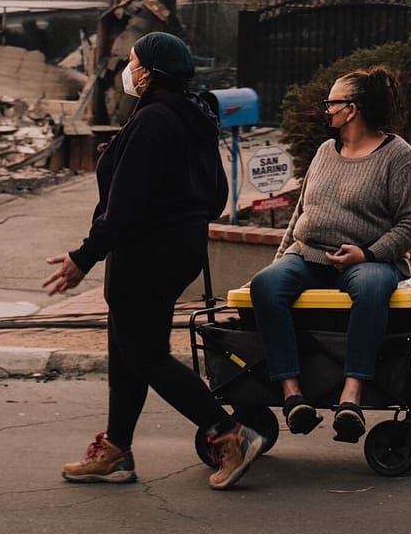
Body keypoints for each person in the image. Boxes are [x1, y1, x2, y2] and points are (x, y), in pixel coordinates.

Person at [43, 31, 268, 490]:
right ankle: (115, 452)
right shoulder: (194, 117)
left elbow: (124, 208)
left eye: (133, 62)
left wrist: (84, 257)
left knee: (144, 354)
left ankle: (228, 434)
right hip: (175, 250)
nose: (129, 70)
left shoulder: (153, 122)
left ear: (148, 72)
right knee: (127, 353)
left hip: (145, 254)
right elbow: (216, 197)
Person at [249, 66, 411, 444]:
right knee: (266, 285)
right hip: (307, 256)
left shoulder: (399, 156)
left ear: (353, 109)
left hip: (370, 262)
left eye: (332, 102)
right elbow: (301, 214)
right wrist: (280, 261)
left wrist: (368, 254)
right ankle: (292, 394)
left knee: (371, 287)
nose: (325, 109)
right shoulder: (324, 152)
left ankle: (351, 396)